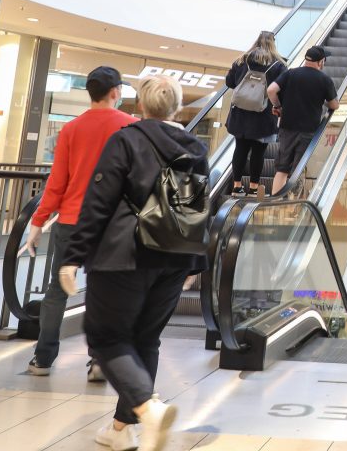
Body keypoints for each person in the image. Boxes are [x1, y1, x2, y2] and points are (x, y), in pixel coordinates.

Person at [58, 75, 208, 451]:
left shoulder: (127, 140)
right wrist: (193, 264)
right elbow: (200, 206)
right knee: (145, 339)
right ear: (176, 107)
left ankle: (147, 408)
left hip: (125, 254)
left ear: (141, 106)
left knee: (106, 337)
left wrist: (73, 256)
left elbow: (99, 201)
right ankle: (123, 429)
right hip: (174, 257)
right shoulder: (195, 147)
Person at [25, 66, 137, 381]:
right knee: (105, 294)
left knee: (57, 290)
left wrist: (38, 220)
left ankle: (43, 358)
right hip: (112, 225)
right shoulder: (131, 127)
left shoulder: (71, 130)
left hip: (71, 222)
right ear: (115, 92)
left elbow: (57, 182)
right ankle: (100, 361)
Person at [266, 45, 340, 198]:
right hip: (308, 131)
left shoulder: (291, 73)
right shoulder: (324, 80)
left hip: (287, 128)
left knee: (282, 168)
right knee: (299, 169)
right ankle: (294, 205)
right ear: (321, 62)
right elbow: (334, 105)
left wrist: (277, 106)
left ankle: (274, 202)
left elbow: (271, 90)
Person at [224, 31, 287, 196]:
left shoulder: (241, 60)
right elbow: (282, 90)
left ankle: (237, 186)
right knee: (258, 152)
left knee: (240, 149)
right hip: (264, 116)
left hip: (240, 114)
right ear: (273, 43)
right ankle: (253, 188)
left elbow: (229, 82)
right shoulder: (279, 65)